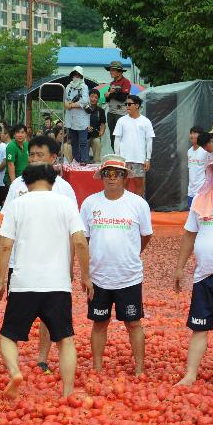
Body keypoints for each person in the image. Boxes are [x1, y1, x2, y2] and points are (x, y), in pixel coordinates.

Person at [0, 163, 93, 399]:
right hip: (57, 283)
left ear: (25, 183)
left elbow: (5, 245)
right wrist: (85, 276)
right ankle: (67, 391)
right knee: (65, 340)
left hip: (24, 282)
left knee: (8, 336)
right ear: (53, 182)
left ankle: (15, 371)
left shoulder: (17, 206)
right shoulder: (66, 204)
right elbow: (80, 242)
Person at [2, 135, 78, 373]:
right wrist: (2, 266)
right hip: (20, 261)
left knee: (49, 320)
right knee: (23, 317)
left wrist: (71, 265)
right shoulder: (18, 185)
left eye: (39, 155)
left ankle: (42, 357)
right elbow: (6, 230)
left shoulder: (65, 189)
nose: (34, 159)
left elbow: (74, 234)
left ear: (53, 158)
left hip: (54, 263)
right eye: (31, 155)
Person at [80, 155, 153, 375]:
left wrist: (131, 253)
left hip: (129, 276)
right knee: (99, 323)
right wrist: (86, 273)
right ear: (101, 177)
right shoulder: (90, 203)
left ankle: (139, 368)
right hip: (99, 277)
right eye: (107, 174)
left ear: (125, 178)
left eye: (117, 174)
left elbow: (145, 236)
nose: (112, 178)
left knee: (133, 323)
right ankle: (97, 368)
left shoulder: (138, 204)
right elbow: (84, 240)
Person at [174, 151, 213, 387]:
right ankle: (190, 374)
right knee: (198, 329)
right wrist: (180, 267)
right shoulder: (201, 200)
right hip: (204, 277)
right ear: (212, 171)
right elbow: (189, 235)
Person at [113, 95, 154, 197]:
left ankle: (138, 209)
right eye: (126, 104)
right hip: (124, 159)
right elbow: (117, 139)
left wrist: (148, 159)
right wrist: (117, 157)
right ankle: (123, 208)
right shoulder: (121, 120)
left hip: (140, 159)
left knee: (139, 185)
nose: (127, 106)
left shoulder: (146, 121)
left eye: (129, 104)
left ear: (137, 105)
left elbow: (149, 141)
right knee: (123, 184)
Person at [63, 67, 91, 163]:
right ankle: (76, 159)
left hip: (81, 118)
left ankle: (84, 159)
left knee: (83, 141)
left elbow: (84, 101)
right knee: (74, 141)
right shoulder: (68, 87)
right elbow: (65, 100)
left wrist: (71, 105)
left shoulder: (84, 87)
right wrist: (67, 104)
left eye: (78, 75)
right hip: (70, 118)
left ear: (81, 76)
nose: (76, 77)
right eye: (74, 75)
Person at [104, 60, 132, 150]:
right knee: (113, 136)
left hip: (121, 113)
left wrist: (111, 94)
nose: (110, 72)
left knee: (121, 135)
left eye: (113, 70)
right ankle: (116, 155)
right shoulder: (112, 83)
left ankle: (123, 157)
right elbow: (108, 99)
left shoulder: (126, 82)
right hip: (111, 112)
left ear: (119, 72)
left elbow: (123, 97)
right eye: (110, 70)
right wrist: (107, 95)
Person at [188, 126, 209, 209]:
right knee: (191, 210)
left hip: (201, 189)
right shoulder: (189, 151)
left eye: (195, 133)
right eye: (191, 133)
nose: (192, 135)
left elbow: (208, 170)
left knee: (200, 212)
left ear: (201, 135)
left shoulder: (205, 151)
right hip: (191, 189)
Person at [86, 89, 106, 162]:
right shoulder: (83, 108)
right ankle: (84, 162)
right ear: (88, 97)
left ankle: (96, 163)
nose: (93, 99)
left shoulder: (101, 110)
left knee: (97, 141)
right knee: (84, 144)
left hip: (95, 135)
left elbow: (103, 124)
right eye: (91, 96)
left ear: (98, 99)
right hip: (85, 136)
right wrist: (86, 127)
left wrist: (101, 132)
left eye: (95, 97)